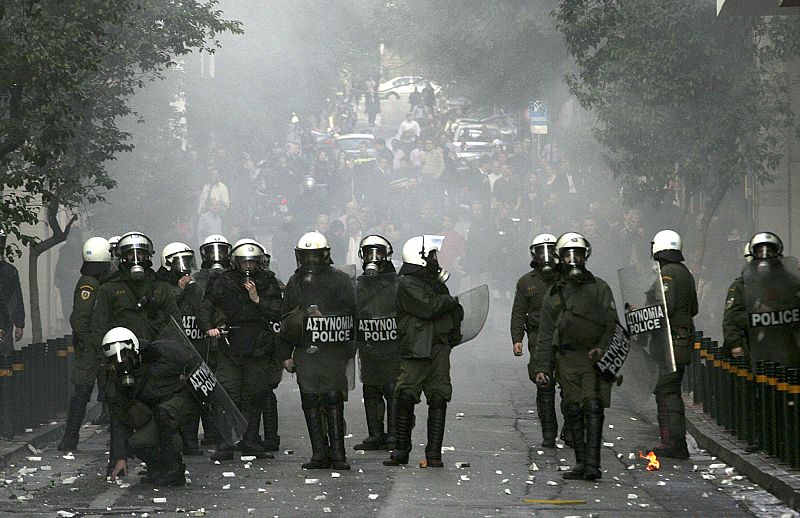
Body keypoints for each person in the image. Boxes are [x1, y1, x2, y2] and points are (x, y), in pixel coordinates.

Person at [533, 232, 617, 481]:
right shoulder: (555, 292)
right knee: (572, 408)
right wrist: (542, 367)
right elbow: (546, 333)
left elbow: (611, 324)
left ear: (586, 256)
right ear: (559, 258)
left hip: (592, 357)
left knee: (593, 405)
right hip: (566, 358)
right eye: (568, 255)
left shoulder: (600, 288)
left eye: (578, 255)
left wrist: (601, 348)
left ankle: (593, 463)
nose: (573, 260)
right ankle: (580, 462)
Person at [384, 235, 463, 468]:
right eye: (431, 255)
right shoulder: (407, 283)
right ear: (419, 257)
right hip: (416, 349)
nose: (434, 259)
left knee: (439, 397)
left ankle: (434, 453)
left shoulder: (433, 282)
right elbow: (430, 307)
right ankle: (400, 450)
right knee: (406, 396)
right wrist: (449, 301)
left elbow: (453, 311)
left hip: (438, 347)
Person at [279, 232, 356, 470]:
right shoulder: (294, 282)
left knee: (332, 398)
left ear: (325, 255)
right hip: (305, 348)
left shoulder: (340, 280)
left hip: (332, 348)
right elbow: (286, 319)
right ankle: (319, 454)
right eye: (306, 256)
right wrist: (285, 355)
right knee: (310, 398)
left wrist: (328, 320)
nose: (311, 261)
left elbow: (352, 316)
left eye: (315, 256)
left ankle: (338, 454)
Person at [204, 239, 283, 460]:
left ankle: (250, 440)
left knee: (254, 393)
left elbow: (278, 310)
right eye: (244, 263)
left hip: (258, 343)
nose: (248, 267)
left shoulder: (267, 281)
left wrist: (258, 299)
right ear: (235, 262)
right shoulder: (222, 281)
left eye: (252, 262)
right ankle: (226, 442)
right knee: (228, 391)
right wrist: (210, 327)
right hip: (230, 342)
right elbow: (207, 306)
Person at [103, 327, 200, 487]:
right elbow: (118, 416)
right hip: (160, 413)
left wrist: (186, 377)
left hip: (183, 400)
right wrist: (119, 457)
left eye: (125, 355)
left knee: (164, 414)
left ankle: (174, 471)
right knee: (137, 442)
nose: (122, 362)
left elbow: (193, 362)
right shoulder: (119, 381)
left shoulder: (163, 352)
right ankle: (158, 468)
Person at [58, 237, 113, 451]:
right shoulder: (89, 283)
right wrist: (89, 345)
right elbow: (79, 319)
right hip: (92, 350)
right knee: (82, 392)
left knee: (106, 392)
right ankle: (70, 438)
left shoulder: (98, 282)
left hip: (98, 346)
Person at [91, 231, 182, 356]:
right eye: (130, 254)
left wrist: (173, 352)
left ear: (147, 256)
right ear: (123, 257)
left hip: (157, 356)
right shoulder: (109, 288)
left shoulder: (161, 286)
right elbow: (99, 326)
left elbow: (175, 323)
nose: (135, 258)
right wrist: (104, 358)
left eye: (140, 254)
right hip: (123, 357)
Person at [156, 242, 208, 456]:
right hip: (169, 349)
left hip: (192, 347)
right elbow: (164, 307)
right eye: (180, 263)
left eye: (188, 262)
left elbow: (202, 309)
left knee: (193, 393)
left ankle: (191, 442)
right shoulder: (161, 285)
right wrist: (180, 289)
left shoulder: (194, 286)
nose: (185, 268)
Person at [649, 230, 697, 459]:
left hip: (671, 342)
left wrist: (643, 314)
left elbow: (664, 306)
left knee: (667, 391)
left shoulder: (667, 273)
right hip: (682, 340)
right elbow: (694, 307)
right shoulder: (685, 273)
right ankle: (671, 440)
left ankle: (674, 443)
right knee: (670, 389)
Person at [724, 232, 800, 370]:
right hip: (755, 345)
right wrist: (736, 344)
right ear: (753, 254)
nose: (765, 256)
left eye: (770, 251)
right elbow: (731, 318)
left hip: (785, 344)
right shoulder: (743, 285)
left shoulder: (790, 282)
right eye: (760, 252)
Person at [511, 234, 559, 448]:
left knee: (570, 386)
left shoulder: (565, 278)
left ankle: (572, 431)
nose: (545, 255)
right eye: (541, 250)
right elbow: (519, 312)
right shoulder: (526, 282)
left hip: (564, 336)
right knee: (544, 382)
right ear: (534, 254)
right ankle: (549, 433)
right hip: (538, 336)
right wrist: (517, 338)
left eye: (549, 249)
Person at [354, 235, 400, 451]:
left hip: (390, 344)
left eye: (378, 253)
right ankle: (375, 434)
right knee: (371, 389)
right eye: (369, 253)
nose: (374, 258)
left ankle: (393, 434)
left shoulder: (396, 281)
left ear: (387, 255)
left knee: (391, 389)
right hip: (368, 344)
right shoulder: (360, 282)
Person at [0, 228, 25, 354]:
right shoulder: (10, 271)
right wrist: (19, 324)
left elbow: (17, 297)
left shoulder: (10, 271)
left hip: (5, 322)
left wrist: (19, 323)